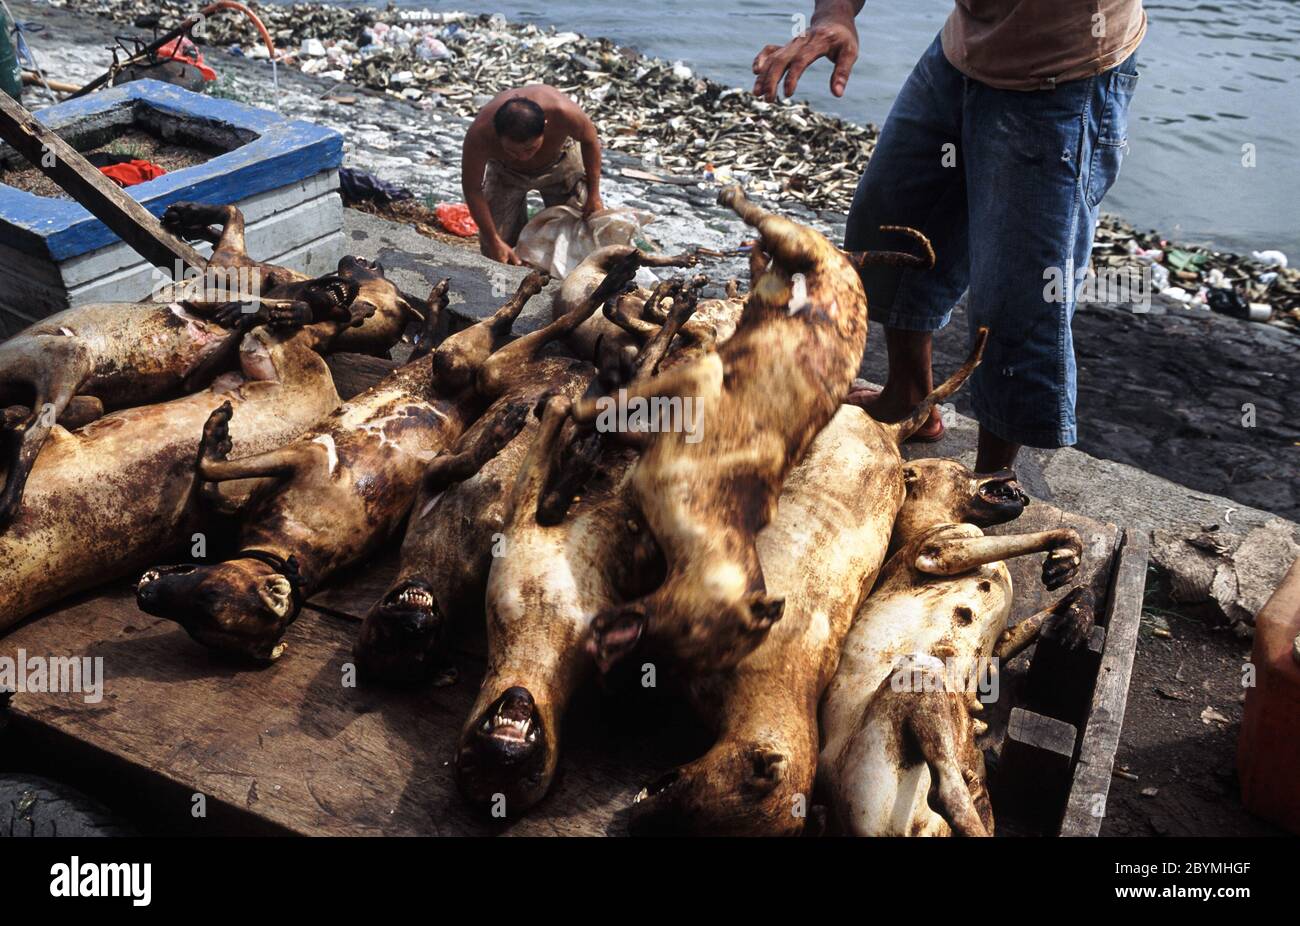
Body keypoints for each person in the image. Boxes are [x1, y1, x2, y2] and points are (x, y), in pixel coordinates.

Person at [753, 1, 1144, 473]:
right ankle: (910, 395)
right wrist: (835, 16)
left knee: (1017, 290)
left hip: (1062, 74)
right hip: (962, 53)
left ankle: (989, 476)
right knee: (892, 220)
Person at [461, 84, 605, 265]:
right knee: (496, 249)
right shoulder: (480, 133)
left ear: (545, 125)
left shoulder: (563, 112)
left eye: (530, 148)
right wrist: (493, 239)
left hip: (560, 163)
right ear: (497, 135)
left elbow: (590, 141)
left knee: (584, 231)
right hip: (506, 173)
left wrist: (594, 193)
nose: (523, 157)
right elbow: (472, 188)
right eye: (513, 151)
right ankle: (506, 283)